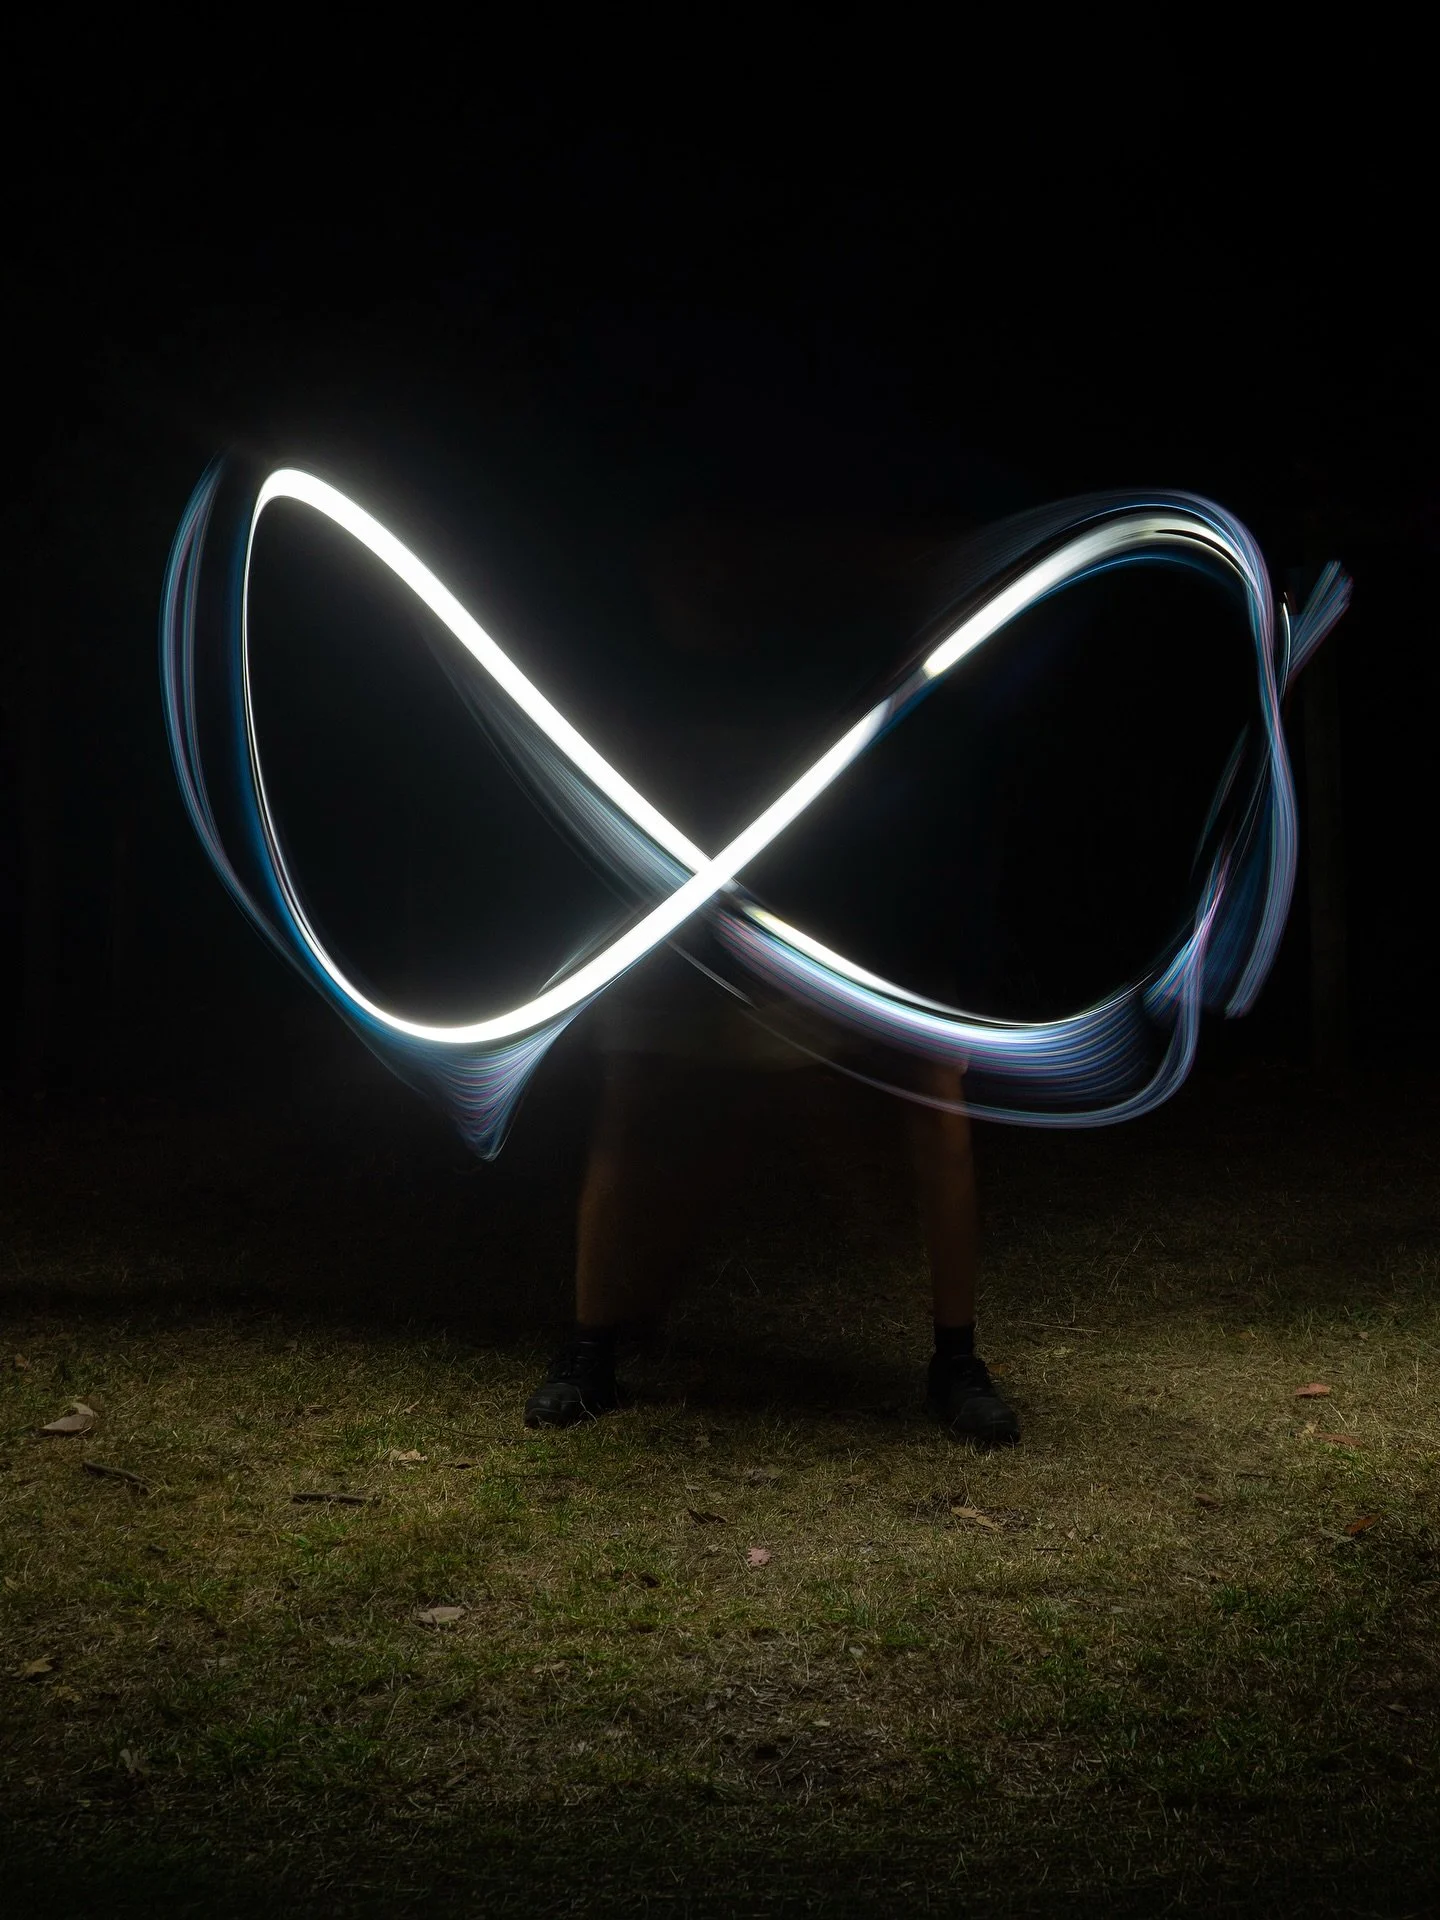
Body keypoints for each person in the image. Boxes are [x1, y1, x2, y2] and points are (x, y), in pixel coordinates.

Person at [521, 512, 1020, 1446]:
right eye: (682, 555)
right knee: (635, 1096)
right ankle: (591, 1347)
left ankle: (957, 1358)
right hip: (693, 919)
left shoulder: (811, 646)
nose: (702, 571)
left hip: (842, 912)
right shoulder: (637, 664)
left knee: (933, 1091)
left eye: (717, 552)